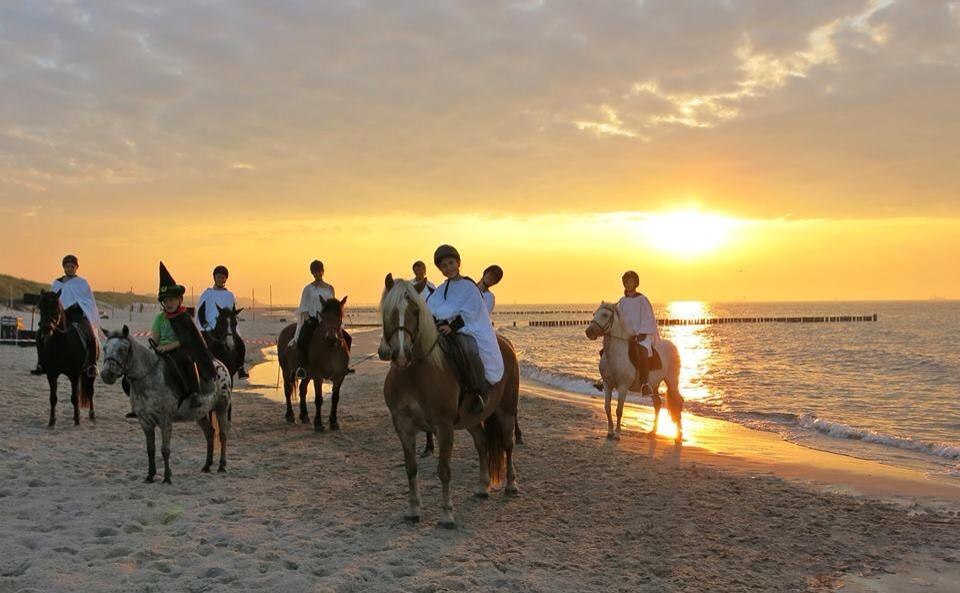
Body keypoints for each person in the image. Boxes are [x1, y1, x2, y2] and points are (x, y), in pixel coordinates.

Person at [426, 245, 503, 414]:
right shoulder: (442, 289)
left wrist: (451, 327)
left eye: (451, 263)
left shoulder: (469, 286)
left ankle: (479, 391)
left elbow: (471, 313)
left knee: (468, 349)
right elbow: (431, 307)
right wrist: (437, 324)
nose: (448, 268)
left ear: (458, 263)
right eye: (444, 266)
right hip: (445, 328)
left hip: (469, 328)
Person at [153, 262, 217, 409]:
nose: (169, 303)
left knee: (186, 360)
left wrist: (167, 347)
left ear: (179, 300)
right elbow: (155, 336)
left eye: (172, 299)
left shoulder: (184, 317)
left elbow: (186, 339)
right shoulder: (159, 318)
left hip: (181, 348)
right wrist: (156, 347)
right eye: (166, 300)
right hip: (162, 349)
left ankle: (194, 393)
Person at [33, 254, 101, 376]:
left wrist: (78, 305)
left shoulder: (82, 283)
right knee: (39, 334)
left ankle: (92, 365)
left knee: (91, 335)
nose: (70, 268)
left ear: (76, 268)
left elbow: (88, 301)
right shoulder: (57, 283)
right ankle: (41, 363)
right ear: (63, 267)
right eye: (67, 266)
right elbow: (52, 300)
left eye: (72, 266)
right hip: (59, 315)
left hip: (77, 314)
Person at [291, 260, 352, 379]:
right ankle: (301, 367)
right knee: (302, 339)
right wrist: (309, 319)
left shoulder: (330, 288)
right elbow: (303, 307)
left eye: (319, 271)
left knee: (347, 338)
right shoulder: (308, 289)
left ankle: (344, 366)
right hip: (313, 320)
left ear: (323, 271)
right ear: (312, 273)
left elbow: (333, 306)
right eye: (315, 272)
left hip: (328, 322)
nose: (318, 274)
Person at [196, 265, 248, 379]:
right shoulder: (207, 294)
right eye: (218, 277)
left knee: (241, 344)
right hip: (209, 327)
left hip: (226, 327)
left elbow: (233, 312)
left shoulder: (230, 295)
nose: (220, 279)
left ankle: (240, 368)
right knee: (199, 346)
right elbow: (201, 311)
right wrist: (204, 323)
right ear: (214, 278)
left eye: (223, 277)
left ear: (226, 279)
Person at [617, 270, 659, 396]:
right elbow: (620, 319)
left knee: (642, 351)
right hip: (627, 335)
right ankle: (606, 379)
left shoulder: (642, 299)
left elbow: (648, 318)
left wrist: (641, 333)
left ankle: (645, 383)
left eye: (631, 282)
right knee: (609, 350)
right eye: (626, 282)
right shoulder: (622, 301)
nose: (628, 284)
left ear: (636, 283)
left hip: (642, 334)